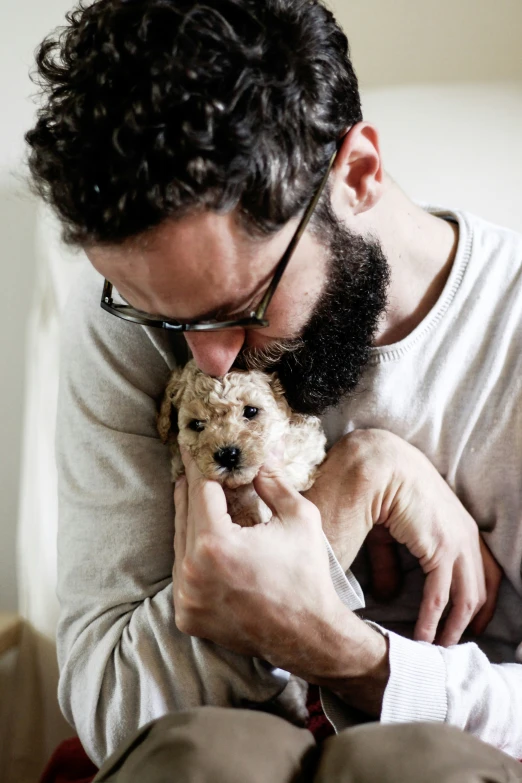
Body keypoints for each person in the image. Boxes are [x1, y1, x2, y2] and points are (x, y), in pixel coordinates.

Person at [25, 0, 522, 780]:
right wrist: (346, 494)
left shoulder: (511, 336)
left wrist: (344, 652)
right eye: (163, 318)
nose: (209, 361)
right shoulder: (139, 311)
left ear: (357, 174)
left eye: (237, 310)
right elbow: (113, 705)